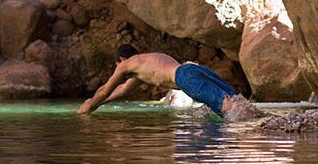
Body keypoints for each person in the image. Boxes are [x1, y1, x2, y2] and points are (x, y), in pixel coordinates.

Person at [77, 45, 261, 121]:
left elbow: (105, 89)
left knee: (227, 107)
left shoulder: (125, 65)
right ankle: (261, 120)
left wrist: (89, 107)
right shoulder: (148, 61)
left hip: (184, 78)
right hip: (194, 69)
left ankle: (260, 131)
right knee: (236, 101)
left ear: (122, 59)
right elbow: (122, 91)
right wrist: (97, 102)